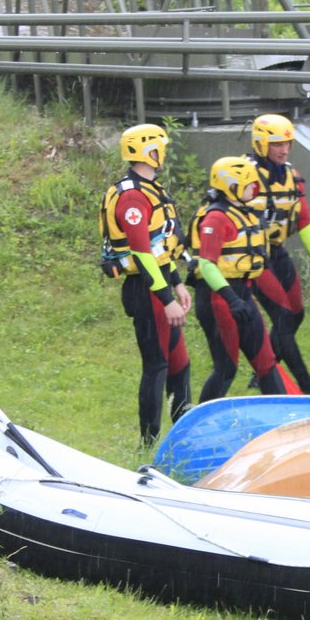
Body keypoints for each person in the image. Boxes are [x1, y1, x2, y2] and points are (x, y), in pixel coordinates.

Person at [99, 124, 192, 446]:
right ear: (149, 151)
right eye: (160, 147)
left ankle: (184, 437)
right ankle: (149, 444)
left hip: (162, 283)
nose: (164, 152)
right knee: (157, 366)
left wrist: (177, 282)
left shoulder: (150, 188)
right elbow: (141, 251)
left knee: (180, 366)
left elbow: (159, 248)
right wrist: (166, 298)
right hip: (147, 291)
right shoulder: (133, 197)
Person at [190, 156, 297, 403]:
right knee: (226, 367)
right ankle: (202, 420)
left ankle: (283, 419)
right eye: (249, 184)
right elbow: (206, 264)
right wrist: (230, 299)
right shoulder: (216, 218)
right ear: (231, 185)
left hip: (243, 295)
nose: (255, 189)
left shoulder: (245, 213)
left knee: (266, 362)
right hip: (219, 298)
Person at [246, 114, 310, 396]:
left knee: (296, 314)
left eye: (287, 143)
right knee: (283, 316)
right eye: (276, 144)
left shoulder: (291, 176)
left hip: (277, 251)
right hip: (251, 256)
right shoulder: (243, 174)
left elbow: (305, 220)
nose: (283, 150)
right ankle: (306, 384)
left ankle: (263, 369)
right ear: (261, 144)